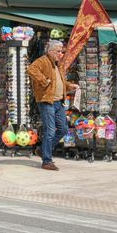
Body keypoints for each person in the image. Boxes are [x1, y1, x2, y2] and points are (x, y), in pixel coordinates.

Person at [26, 39, 77, 171]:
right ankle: (47, 161)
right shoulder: (43, 61)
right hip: (47, 101)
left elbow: (59, 82)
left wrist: (69, 86)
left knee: (63, 129)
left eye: (62, 51)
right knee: (50, 130)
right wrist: (44, 81)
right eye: (59, 51)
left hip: (58, 102)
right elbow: (31, 69)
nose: (61, 54)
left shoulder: (57, 65)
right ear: (51, 51)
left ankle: (43, 150)